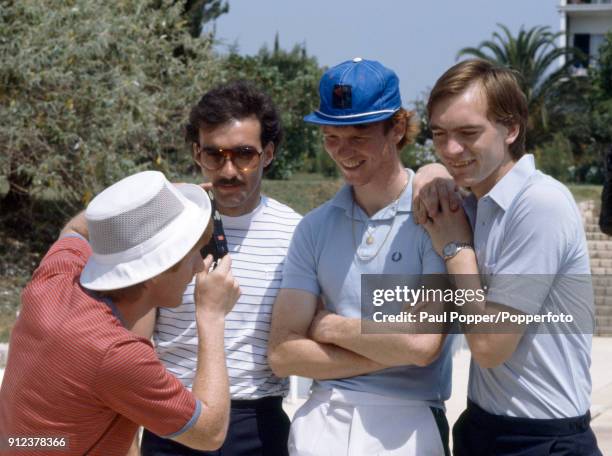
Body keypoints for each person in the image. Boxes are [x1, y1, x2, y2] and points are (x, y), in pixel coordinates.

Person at [414, 59, 601, 455]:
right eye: (439, 134)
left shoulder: (539, 203)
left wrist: (455, 247)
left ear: (511, 128)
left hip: (543, 439)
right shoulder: (476, 200)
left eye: (468, 133)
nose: (450, 149)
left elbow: (489, 346)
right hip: (482, 427)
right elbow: (427, 173)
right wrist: (429, 173)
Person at [268, 58, 453, 456]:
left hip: (411, 425)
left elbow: (422, 346)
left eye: (359, 134)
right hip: (322, 421)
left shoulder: (434, 214)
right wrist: (391, 348)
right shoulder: (313, 228)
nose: (343, 151)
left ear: (398, 127)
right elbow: (283, 354)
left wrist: (330, 327)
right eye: (331, 136)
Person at [0, 171, 240, 455]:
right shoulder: (116, 354)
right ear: (156, 272)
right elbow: (209, 432)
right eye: (194, 255)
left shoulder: (59, 274)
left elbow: (76, 230)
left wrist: (151, 205)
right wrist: (212, 316)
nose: (200, 267)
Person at [140, 80, 302, 456]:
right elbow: (135, 340)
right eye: (214, 155)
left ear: (268, 153)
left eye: (244, 154)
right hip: (171, 417)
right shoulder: (167, 225)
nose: (228, 170)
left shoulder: (297, 233)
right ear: (197, 153)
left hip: (258, 422)